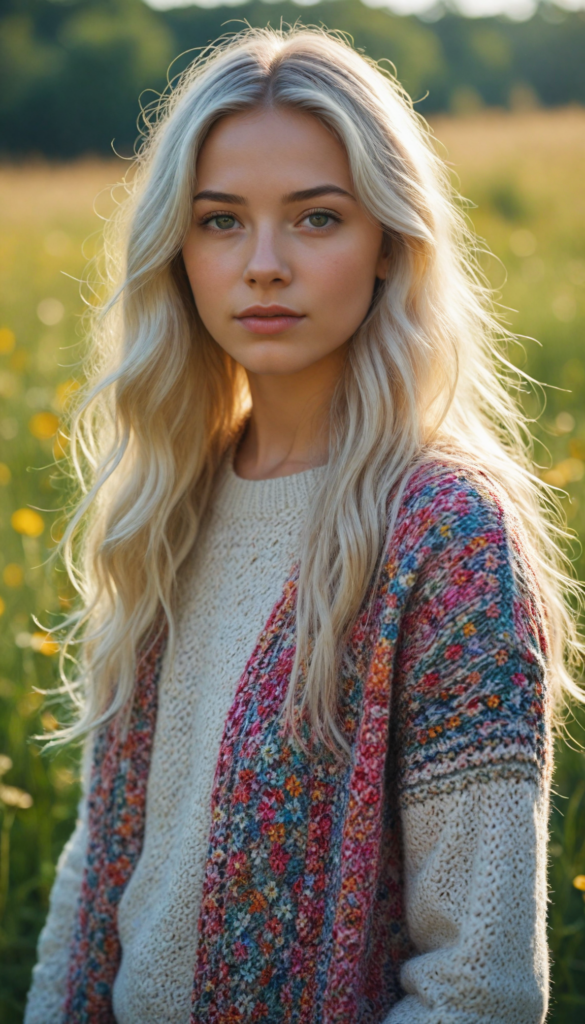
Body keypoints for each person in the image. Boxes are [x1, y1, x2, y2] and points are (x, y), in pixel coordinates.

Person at [24, 26, 580, 1024]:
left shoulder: (448, 540)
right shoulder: (164, 505)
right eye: (221, 221)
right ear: (177, 250)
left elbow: (479, 984)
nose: (264, 265)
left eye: (317, 218)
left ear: (388, 245)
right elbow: (98, 868)